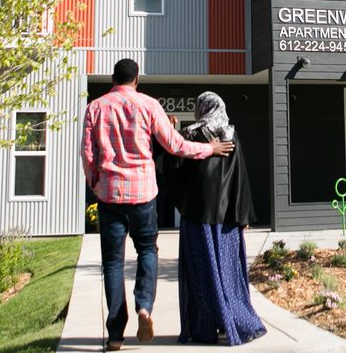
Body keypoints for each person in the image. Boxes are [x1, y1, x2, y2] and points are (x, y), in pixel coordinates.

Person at [82, 59, 234, 350]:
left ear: (113, 79)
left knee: (112, 262)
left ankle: (115, 335)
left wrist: (95, 182)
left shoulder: (96, 107)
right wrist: (210, 148)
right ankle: (144, 308)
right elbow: (175, 145)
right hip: (143, 193)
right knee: (147, 251)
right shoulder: (150, 105)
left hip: (109, 195)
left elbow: (88, 154)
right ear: (137, 80)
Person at [167, 92, 267, 345]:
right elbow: (240, 176)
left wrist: (172, 132)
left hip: (197, 218)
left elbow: (174, 169)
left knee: (201, 275)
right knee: (228, 273)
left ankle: (204, 327)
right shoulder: (230, 134)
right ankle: (235, 321)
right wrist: (243, 214)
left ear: (201, 109)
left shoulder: (191, 135)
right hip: (227, 221)